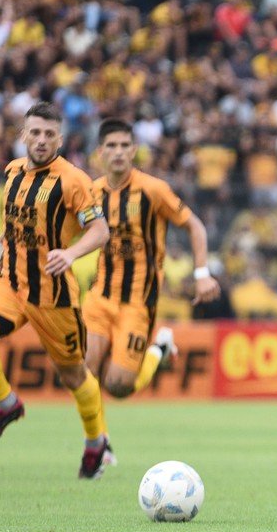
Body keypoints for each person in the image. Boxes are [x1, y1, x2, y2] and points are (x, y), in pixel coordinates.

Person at [0, 103, 111, 476]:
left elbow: (100, 231)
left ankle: (96, 442)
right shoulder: (12, 171)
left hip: (52, 295)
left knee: (74, 376)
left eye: (49, 134)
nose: (41, 140)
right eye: (35, 133)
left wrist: (70, 253)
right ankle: (7, 404)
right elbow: (14, 225)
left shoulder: (74, 181)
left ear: (60, 139)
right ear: (23, 135)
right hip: (10, 283)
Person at [83, 119, 221, 418]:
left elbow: (195, 226)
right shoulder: (91, 192)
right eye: (111, 146)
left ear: (134, 150)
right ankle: (96, 441)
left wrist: (201, 274)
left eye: (124, 145)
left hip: (138, 303)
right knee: (84, 373)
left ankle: (159, 348)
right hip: (100, 297)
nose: (118, 152)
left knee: (118, 386)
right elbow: (63, 228)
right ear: (100, 152)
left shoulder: (153, 190)